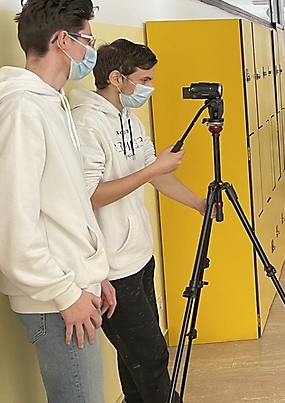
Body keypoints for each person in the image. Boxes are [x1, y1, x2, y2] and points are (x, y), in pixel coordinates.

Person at [70, 39, 206, 403]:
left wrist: (198, 203)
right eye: (144, 80)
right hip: (112, 268)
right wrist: (152, 169)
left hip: (140, 257)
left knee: (135, 363)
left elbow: (155, 174)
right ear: (117, 78)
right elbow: (89, 195)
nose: (149, 88)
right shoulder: (86, 123)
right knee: (151, 357)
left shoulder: (128, 118)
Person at [0, 0, 113, 403]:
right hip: (55, 300)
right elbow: (14, 222)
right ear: (62, 40)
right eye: (88, 41)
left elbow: (66, 203)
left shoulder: (52, 102)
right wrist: (67, 292)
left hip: (73, 286)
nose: (90, 51)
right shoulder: (22, 109)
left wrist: (95, 272)